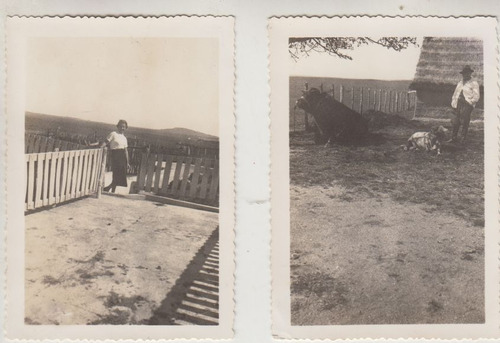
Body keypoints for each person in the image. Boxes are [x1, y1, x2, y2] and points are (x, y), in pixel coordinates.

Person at [449, 65, 480, 143]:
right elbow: (455, 93)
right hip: (458, 104)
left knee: (464, 121)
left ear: (470, 73)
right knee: (456, 121)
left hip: (466, 105)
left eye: (467, 73)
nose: (465, 75)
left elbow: (477, 96)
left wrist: (470, 103)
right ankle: (453, 138)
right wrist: (453, 101)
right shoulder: (460, 83)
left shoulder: (474, 83)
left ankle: (463, 138)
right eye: (464, 73)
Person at [102, 120, 130, 193]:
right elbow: (106, 142)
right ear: (118, 126)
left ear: (126, 128)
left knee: (120, 174)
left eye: (124, 127)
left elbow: (126, 151)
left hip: (122, 156)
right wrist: (100, 147)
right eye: (121, 126)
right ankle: (109, 188)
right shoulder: (113, 134)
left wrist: (127, 162)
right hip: (115, 155)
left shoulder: (124, 138)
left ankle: (111, 190)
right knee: (116, 173)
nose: (122, 128)